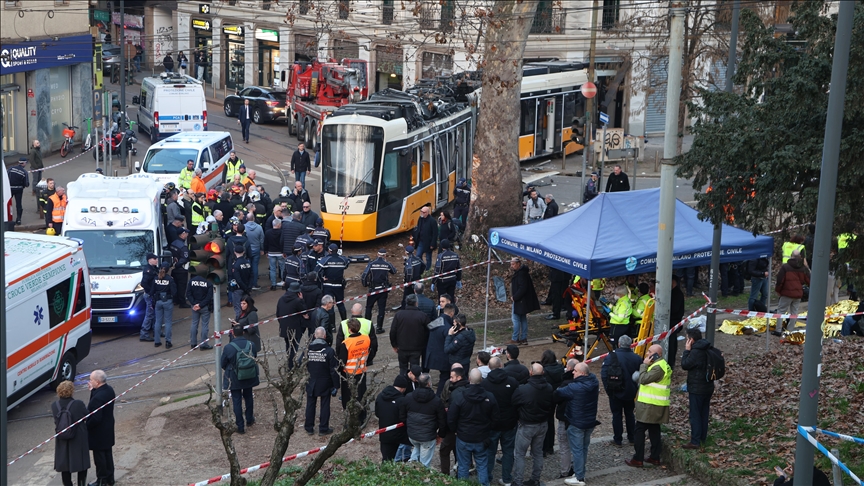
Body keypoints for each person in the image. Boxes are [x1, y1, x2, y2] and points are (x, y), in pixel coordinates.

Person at [448, 369, 498, 486]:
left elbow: (451, 418)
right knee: (482, 465)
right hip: (482, 437)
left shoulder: (460, 397)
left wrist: (455, 430)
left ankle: (463, 484)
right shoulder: (489, 397)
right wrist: (488, 430)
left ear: (469, 379)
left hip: (464, 437)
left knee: (463, 465)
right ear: (481, 380)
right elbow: (496, 418)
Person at [625, 344, 672, 468]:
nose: (647, 354)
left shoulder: (658, 367)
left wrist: (644, 365)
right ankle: (654, 457)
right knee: (654, 429)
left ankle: (638, 459)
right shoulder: (660, 365)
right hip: (654, 404)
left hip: (651, 405)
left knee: (639, 430)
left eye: (649, 352)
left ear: (657, 354)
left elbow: (643, 379)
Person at [555, 362, 600, 486]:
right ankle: (580, 472)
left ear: (582, 373)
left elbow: (558, 393)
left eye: (575, 371)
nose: (573, 373)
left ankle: (579, 477)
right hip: (589, 422)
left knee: (577, 450)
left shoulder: (574, 388)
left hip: (576, 423)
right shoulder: (594, 382)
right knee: (583, 448)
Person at [511, 363, 554, 486]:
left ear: (530, 372)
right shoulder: (549, 388)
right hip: (542, 424)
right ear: (543, 373)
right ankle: (535, 479)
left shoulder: (523, 389)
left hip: (527, 425)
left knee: (520, 454)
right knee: (537, 452)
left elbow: (514, 402)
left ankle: (518, 481)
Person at [480, 356, 519, 485]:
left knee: (490, 451)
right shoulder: (512, 382)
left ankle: (487, 478)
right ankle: (507, 479)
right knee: (508, 451)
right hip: (509, 423)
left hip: (492, 424)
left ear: (489, 367)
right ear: (501, 365)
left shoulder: (485, 384)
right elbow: (517, 400)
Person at [601, 335, 642, 447]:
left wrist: (608, 390)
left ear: (619, 344)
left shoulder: (611, 356)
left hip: (615, 391)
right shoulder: (637, 358)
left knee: (616, 415)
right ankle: (632, 438)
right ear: (630, 345)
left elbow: (604, 374)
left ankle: (618, 440)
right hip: (630, 391)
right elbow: (641, 375)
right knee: (630, 414)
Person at [399, 373, 447, 468]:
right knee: (424, 465)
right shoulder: (436, 401)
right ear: (429, 384)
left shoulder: (408, 397)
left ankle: (411, 467)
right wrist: (441, 435)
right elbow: (442, 421)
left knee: (416, 449)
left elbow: (402, 416)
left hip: (412, 435)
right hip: (427, 437)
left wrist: (409, 426)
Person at [680, 328, 714, 449]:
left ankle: (695, 441)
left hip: (697, 388)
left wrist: (686, 351)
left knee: (695, 414)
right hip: (708, 386)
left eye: (687, 339)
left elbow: (685, 364)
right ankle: (702, 438)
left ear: (691, 340)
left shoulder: (695, 352)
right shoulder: (707, 347)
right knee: (704, 413)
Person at [221, 324, 259, 434]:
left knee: (236, 400)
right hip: (249, 375)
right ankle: (249, 419)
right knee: (248, 397)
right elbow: (254, 356)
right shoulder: (251, 344)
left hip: (234, 378)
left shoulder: (228, 347)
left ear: (233, 333)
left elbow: (223, 363)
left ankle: (240, 426)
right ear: (243, 332)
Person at [52, 380, 90, 486]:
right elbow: (86, 416)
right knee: (81, 463)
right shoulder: (78, 404)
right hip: (78, 436)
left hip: (62, 436)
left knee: (64, 465)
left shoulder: (54, 405)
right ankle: (81, 484)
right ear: (72, 391)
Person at [303, 327, 340, 435]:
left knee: (310, 404)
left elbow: (301, 363)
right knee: (325, 405)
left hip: (311, 381)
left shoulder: (308, 350)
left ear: (314, 336)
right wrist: (336, 385)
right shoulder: (329, 351)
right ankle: (323, 428)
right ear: (325, 336)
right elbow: (333, 370)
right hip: (325, 382)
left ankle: (309, 427)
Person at [336, 318, 372, 422]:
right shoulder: (366, 339)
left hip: (349, 373)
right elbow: (370, 352)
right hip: (361, 371)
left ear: (349, 329)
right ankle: (362, 416)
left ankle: (351, 417)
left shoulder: (346, 343)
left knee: (348, 396)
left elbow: (342, 361)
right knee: (361, 394)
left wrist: (339, 370)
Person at [86, 370, 116, 486]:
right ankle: (110, 478)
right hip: (108, 427)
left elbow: (95, 416)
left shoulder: (98, 398)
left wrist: (86, 426)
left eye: (91, 380)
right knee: (108, 454)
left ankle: (101, 480)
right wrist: (92, 391)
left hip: (98, 432)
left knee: (99, 457)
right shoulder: (109, 390)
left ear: (97, 382)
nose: (90, 382)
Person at [390, 294, 430, 374]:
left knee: (403, 368)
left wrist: (394, 345)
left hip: (402, 347)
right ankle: (414, 381)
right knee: (415, 369)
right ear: (416, 303)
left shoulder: (398, 315)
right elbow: (428, 331)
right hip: (416, 348)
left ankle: (403, 381)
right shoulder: (422, 315)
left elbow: (393, 331)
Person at [773, 249, 810, 336]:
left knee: (781, 311)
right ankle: (790, 330)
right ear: (800, 257)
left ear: (791, 256)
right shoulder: (803, 268)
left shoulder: (785, 267)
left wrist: (778, 290)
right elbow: (809, 280)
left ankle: (778, 330)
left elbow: (780, 281)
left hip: (786, 293)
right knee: (794, 313)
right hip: (798, 294)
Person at [376, 374, 412, 461]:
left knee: (386, 458)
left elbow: (377, 413)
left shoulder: (380, 396)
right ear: (403, 388)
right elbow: (404, 418)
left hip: (384, 433)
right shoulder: (402, 401)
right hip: (399, 436)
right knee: (398, 459)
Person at [361, 248, 397, 334]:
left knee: (369, 307)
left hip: (373, 289)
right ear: (385, 256)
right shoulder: (387, 264)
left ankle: (367, 328)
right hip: (383, 289)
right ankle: (379, 328)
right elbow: (394, 271)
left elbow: (364, 275)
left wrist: (365, 284)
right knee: (381, 308)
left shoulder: (371, 264)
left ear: (377, 255)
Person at [277, 282, 310, 367]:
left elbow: (278, 314)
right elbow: (304, 311)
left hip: (284, 328)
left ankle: (289, 364)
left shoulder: (281, 299)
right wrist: (302, 300)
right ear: (298, 292)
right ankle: (291, 366)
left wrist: (282, 323)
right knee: (294, 348)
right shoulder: (297, 301)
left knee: (288, 347)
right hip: (295, 329)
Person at [510, 257, 539, 345]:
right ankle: (523, 338)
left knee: (515, 319)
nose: (512, 266)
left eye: (513, 264)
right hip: (523, 300)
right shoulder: (522, 273)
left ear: (518, 264)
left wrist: (515, 297)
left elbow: (522, 288)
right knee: (522, 318)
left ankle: (515, 338)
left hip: (520, 300)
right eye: (511, 264)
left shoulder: (521, 274)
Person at [541, 350, 565, 456]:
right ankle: (550, 446)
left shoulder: (544, 370)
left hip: (546, 398)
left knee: (544, 422)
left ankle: (544, 446)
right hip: (556, 396)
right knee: (551, 421)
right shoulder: (560, 368)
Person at [317, 243, 351, 320]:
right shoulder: (343, 259)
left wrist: (321, 279)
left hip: (328, 286)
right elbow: (347, 264)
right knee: (340, 304)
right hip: (339, 286)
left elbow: (317, 271)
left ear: (329, 251)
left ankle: (332, 325)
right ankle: (344, 322)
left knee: (329, 305)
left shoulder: (325, 259)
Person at [151, 261, 177, 348]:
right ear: (168, 269)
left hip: (158, 301)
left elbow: (152, 291)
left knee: (158, 322)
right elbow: (174, 292)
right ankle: (168, 342)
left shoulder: (156, 278)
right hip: (168, 301)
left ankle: (157, 341)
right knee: (168, 322)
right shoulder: (170, 279)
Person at [187, 273, 214, 350]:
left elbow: (188, 294)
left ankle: (193, 343)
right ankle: (203, 344)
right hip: (205, 306)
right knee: (204, 325)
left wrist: (194, 304)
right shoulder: (208, 283)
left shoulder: (191, 281)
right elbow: (209, 296)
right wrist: (201, 305)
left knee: (194, 323)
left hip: (194, 306)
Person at [229, 245, 253, 319]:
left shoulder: (235, 264)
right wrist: (248, 287)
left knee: (238, 308)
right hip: (247, 288)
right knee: (247, 306)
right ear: (244, 252)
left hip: (238, 289)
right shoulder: (248, 263)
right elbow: (252, 276)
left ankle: (239, 322)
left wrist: (244, 288)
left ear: (235, 252)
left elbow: (238, 279)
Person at [668, 275, 686, 369]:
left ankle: (671, 361)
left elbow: (675, 309)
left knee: (672, 342)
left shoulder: (677, 294)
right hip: (672, 320)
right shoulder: (673, 292)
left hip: (674, 321)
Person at [169, 227, 190, 308]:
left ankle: (176, 300)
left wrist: (173, 265)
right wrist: (177, 265)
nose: (187, 235)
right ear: (182, 234)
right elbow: (184, 258)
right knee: (181, 286)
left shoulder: (173, 243)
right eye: (186, 233)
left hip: (174, 269)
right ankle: (182, 302)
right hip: (181, 269)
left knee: (176, 284)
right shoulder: (183, 246)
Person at [413, 205, 438, 271]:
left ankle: (427, 270)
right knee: (418, 255)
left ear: (427, 213)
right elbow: (418, 228)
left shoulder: (432, 221)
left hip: (428, 242)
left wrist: (432, 244)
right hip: (421, 241)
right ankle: (422, 267)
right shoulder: (420, 219)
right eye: (421, 211)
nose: (422, 213)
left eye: (423, 212)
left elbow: (435, 234)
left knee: (428, 257)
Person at [244, 213, 265, 290]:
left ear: (246, 219)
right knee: (255, 266)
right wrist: (262, 249)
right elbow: (262, 239)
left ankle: (247, 283)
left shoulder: (244, 227)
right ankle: (254, 284)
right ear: (254, 218)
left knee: (247, 266)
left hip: (247, 250)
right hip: (256, 249)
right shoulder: (259, 227)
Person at [7, 158, 28, 226]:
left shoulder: (11, 168)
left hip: (9, 188)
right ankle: (18, 219)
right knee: (18, 204)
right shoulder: (24, 172)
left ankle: (6, 217)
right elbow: (26, 184)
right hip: (19, 189)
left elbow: (6, 176)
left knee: (7, 203)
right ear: (24, 163)